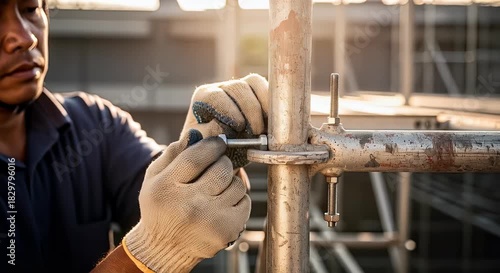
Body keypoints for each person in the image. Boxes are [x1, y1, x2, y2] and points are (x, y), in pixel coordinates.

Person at [0, 0, 269, 272]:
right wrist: (150, 252)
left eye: (30, 9)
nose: (24, 38)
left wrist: (207, 138)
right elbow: (164, 231)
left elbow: (176, 200)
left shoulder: (94, 125)